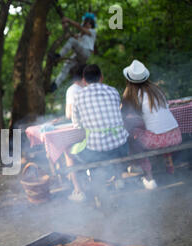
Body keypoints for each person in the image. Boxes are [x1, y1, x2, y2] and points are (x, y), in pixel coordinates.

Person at [65, 64, 129, 201]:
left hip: (97, 151)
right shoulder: (113, 91)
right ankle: (118, 179)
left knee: (71, 152)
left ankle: (86, 188)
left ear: (84, 80)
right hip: (121, 147)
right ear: (101, 77)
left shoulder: (78, 97)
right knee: (112, 143)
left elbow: (77, 126)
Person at [121, 59, 182, 190]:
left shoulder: (134, 95)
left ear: (129, 80)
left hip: (158, 140)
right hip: (176, 135)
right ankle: (169, 165)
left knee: (133, 137)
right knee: (158, 127)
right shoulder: (157, 90)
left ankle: (148, 177)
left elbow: (127, 117)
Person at [50, 13, 97, 92]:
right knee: (67, 65)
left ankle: (58, 55)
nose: (86, 25)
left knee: (72, 41)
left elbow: (79, 27)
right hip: (79, 56)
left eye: (89, 23)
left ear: (91, 25)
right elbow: (71, 35)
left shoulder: (92, 32)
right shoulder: (80, 35)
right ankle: (55, 85)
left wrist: (68, 20)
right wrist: (65, 26)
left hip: (85, 53)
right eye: (86, 23)